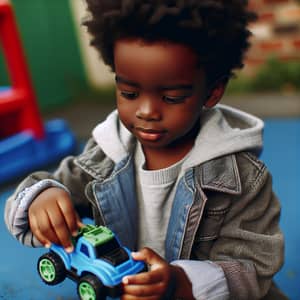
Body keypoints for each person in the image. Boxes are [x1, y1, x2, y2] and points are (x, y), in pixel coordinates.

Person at [5, 1, 286, 299]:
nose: (147, 111)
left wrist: (181, 283)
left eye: (172, 97)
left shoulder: (241, 179)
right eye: (129, 93)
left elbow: (254, 266)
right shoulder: (105, 155)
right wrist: (41, 197)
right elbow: (42, 191)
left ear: (213, 91)